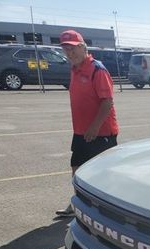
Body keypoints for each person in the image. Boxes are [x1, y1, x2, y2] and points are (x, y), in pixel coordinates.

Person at [55, 29, 119, 217]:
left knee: (102, 172)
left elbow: (107, 102)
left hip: (101, 132)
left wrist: (94, 127)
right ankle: (78, 202)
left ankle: (109, 209)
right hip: (81, 131)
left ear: (83, 47)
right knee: (77, 167)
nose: (70, 53)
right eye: (66, 49)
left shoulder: (97, 69)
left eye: (73, 48)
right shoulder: (75, 69)